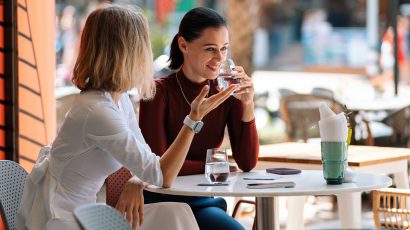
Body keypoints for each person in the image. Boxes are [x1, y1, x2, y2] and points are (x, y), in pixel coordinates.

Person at [15, 4, 238, 230]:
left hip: (91, 214)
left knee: (176, 212)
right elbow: (162, 175)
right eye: (142, 45)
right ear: (127, 52)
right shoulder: (97, 111)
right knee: (174, 217)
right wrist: (193, 119)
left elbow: (149, 164)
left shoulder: (118, 101)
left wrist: (137, 180)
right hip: (64, 222)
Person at [117, 7, 259, 230]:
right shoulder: (157, 92)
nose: (220, 58)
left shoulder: (226, 91)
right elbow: (158, 166)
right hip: (164, 200)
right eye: (210, 49)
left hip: (203, 200)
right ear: (183, 45)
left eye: (224, 49)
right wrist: (214, 165)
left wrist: (247, 104)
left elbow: (247, 162)